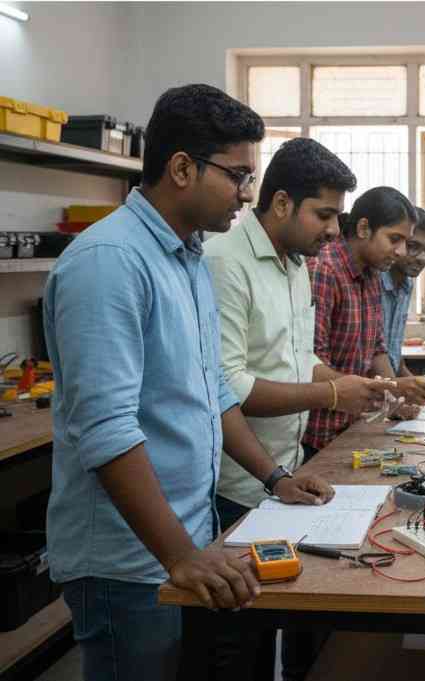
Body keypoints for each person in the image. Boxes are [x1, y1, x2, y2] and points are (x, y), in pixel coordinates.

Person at [43, 84, 333, 681]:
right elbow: (105, 429)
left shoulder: (189, 259)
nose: (248, 194)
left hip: (185, 542)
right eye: (237, 176)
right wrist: (178, 556)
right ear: (181, 168)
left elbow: (213, 397)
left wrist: (274, 478)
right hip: (128, 559)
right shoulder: (109, 262)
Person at [204, 137, 393, 679]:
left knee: (270, 625)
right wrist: (332, 395)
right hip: (231, 484)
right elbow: (228, 384)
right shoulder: (226, 263)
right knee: (237, 647)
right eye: (325, 214)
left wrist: (348, 381)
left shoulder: (292, 264)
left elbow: (297, 356)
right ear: (282, 203)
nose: (334, 229)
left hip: (281, 475)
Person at [304, 186, 425, 455]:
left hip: (353, 427)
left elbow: (376, 349)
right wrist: (393, 387)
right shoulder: (324, 270)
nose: (400, 252)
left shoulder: (372, 272)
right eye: (394, 239)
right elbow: (312, 365)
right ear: (364, 228)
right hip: (317, 435)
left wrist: (397, 398)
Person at [379, 206, 425, 419]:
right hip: (368, 400)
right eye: (414, 246)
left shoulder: (406, 285)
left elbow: (392, 354)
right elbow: (374, 356)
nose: (422, 257)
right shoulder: (374, 282)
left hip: (388, 395)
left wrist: (419, 383)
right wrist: (396, 402)